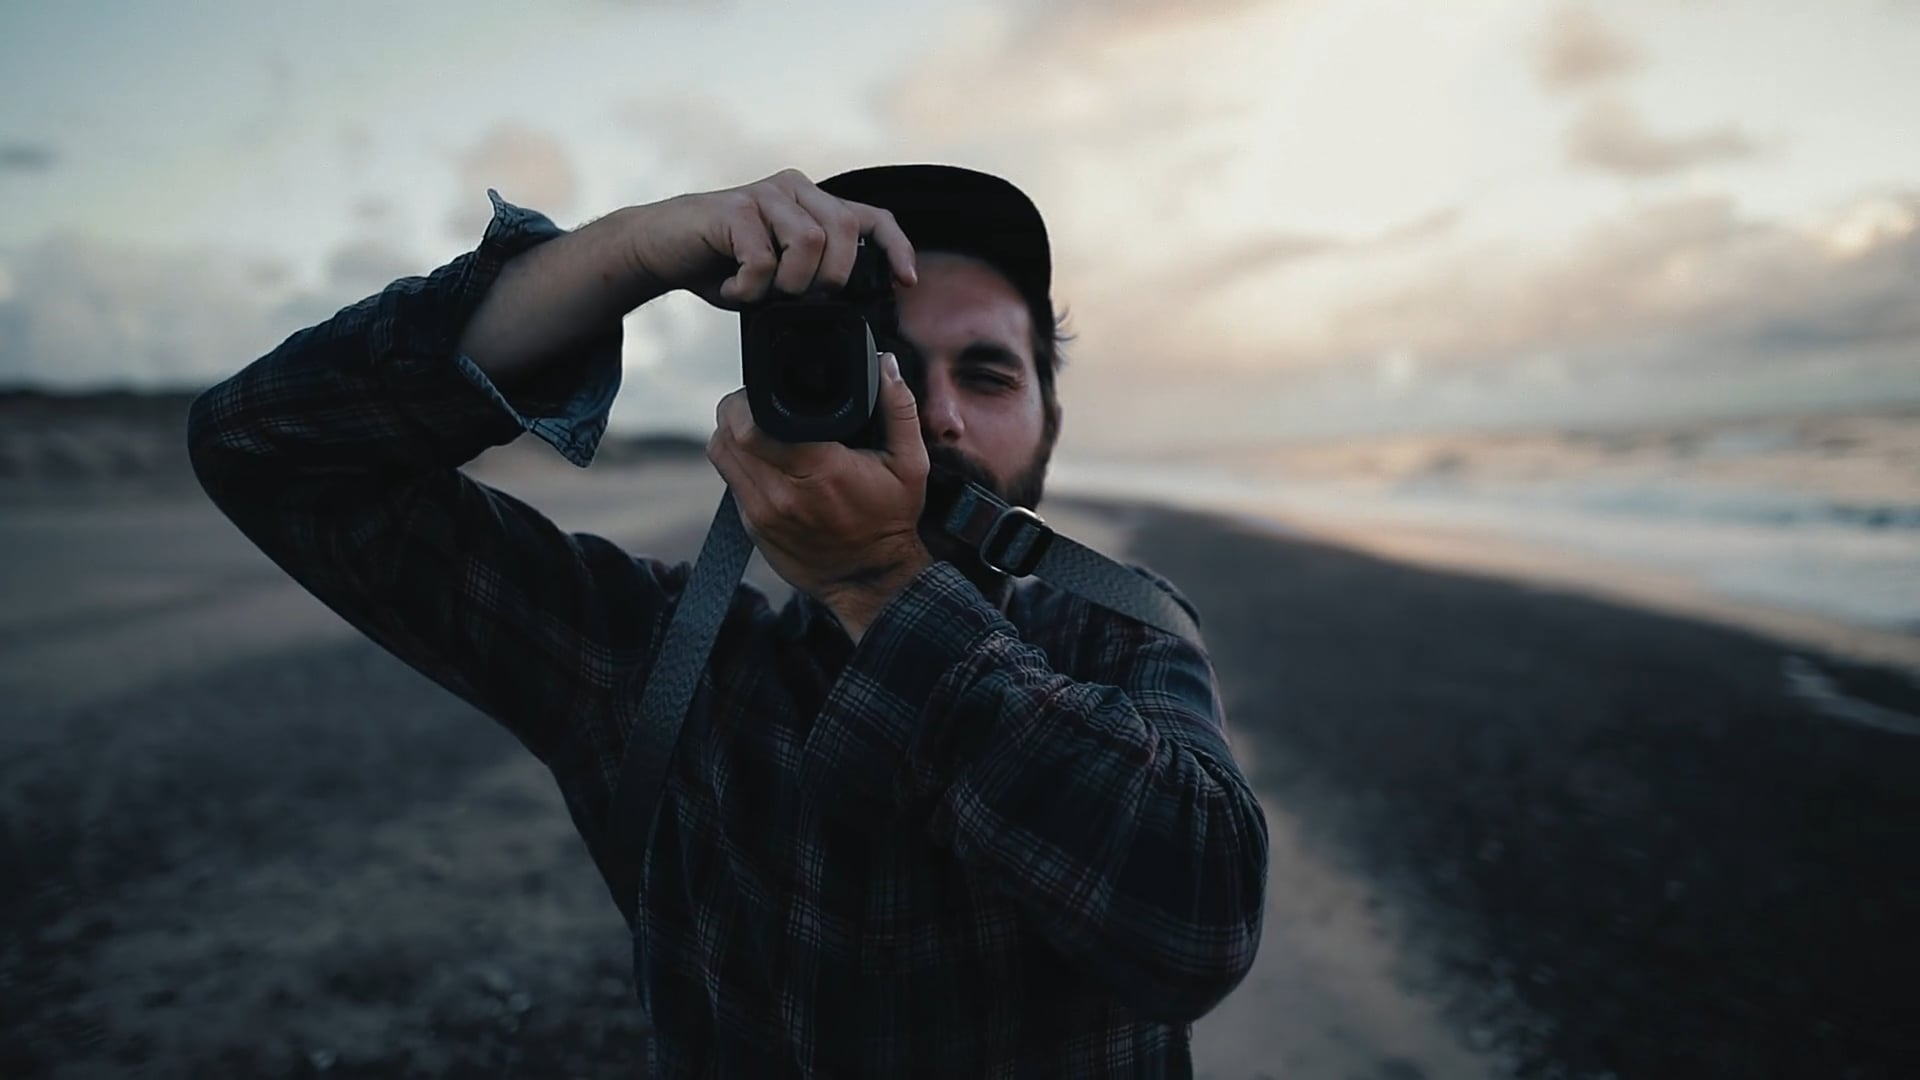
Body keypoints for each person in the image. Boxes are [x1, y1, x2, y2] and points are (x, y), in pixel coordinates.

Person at [187, 164, 1269, 1077]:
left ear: (1050, 424)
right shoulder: (658, 660)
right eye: (883, 362)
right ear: (794, 390)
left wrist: (877, 583)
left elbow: (1198, 924)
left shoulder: (1122, 634)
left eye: (986, 373)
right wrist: (627, 257)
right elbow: (264, 450)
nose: (933, 413)